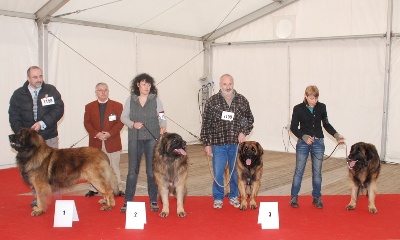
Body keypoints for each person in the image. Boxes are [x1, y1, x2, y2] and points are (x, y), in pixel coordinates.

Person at [9, 66, 64, 207]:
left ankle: (57, 199)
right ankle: (38, 198)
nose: (39, 79)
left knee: (53, 170)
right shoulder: (18, 94)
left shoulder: (50, 90)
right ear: (28, 78)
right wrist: (24, 133)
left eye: (40, 76)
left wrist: (43, 123)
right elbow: (13, 115)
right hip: (29, 143)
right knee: (33, 171)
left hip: (49, 135)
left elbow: (59, 109)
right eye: (35, 77)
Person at [200, 74, 254, 209]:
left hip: (236, 145)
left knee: (235, 172)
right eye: (225, 84)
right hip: (218, 144)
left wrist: (243, 131)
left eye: (230, 84)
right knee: (218, 172)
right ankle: (218, 198)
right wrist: (207, 144)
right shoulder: (212, 101)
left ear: (233, 84)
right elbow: (206, 124)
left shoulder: (242, 100)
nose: (228, 87)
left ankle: (234, 196)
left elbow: (248, 119)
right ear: (220, 85)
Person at [289, 85, 345, 209]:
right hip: (303, 143)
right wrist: (304, 137)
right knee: (299, 170)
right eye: (311, 98)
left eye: (316, 98)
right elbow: (293, 127)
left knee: (317, 172)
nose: (314, 101)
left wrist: (337, 135)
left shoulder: (322, 107)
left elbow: (326, 124)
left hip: (318, 143)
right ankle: (294, 197)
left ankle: (317, 197)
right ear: (306, 96)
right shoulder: (298, 108)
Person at [120, 73, 167, 213]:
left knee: (151, 171)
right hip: (135, 138)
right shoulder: (130, 99)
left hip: (152, 138)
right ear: (137, 85)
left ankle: (153, 200)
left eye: (149, 84)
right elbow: (123, 117)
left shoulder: (156, 99)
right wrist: (132, 124)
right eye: (143, 84)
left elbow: (162, 115)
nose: (146, 87)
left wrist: (163, 125)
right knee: (132, 171)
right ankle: (128, 201)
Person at [83, 82, 125, 197]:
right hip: (96, 142)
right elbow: (87, 123)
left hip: (112, 142)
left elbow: (120, 123)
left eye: (105, 90)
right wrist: (97, 134)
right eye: (100, 90)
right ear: (96, 93)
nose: (103, 92)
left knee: (114, 166)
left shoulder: (117, 106)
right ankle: (93, 188)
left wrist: (109, 134)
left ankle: (118, 188)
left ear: (108, 92)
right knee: (93, 167)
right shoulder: (89, 106)